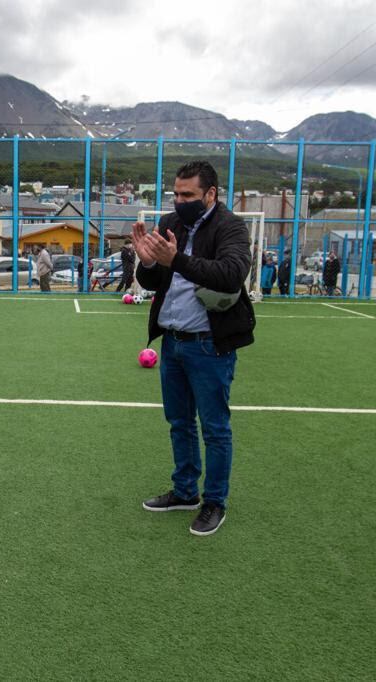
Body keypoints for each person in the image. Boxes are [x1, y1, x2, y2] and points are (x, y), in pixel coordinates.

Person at [132, 160, 255, 537]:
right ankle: (185, 491)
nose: (180, 201)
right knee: (180, 423)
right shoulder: (171, 223)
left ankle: (214, 502)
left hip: (209, 346)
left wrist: (177, 260)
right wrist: (148, 261)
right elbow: (152, 279)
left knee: (215, 428)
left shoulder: (230, 226)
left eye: (188, 195)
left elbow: (232, 273)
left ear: (211, 194)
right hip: (173, 342)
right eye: (176, 194)